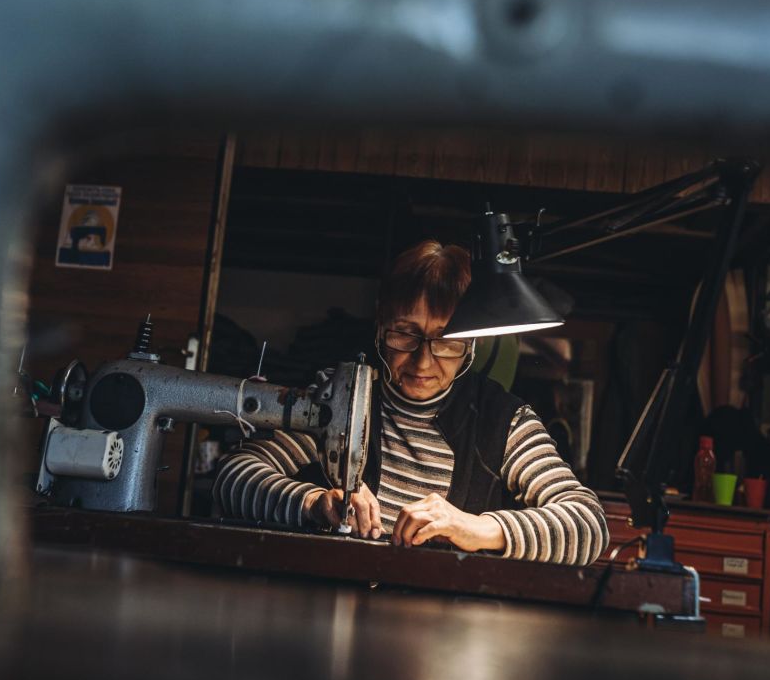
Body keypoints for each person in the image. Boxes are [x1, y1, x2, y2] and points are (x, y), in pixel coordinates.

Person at [213, 240, 609, 565]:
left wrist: (477, 529)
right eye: (405, 335)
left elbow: (589, 527)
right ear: (381, 327)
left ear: (472, 342)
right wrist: (313, 502)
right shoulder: (341, 399)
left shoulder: (505, 424)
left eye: (446, 341)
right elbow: (231, 480)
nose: (423, 360)